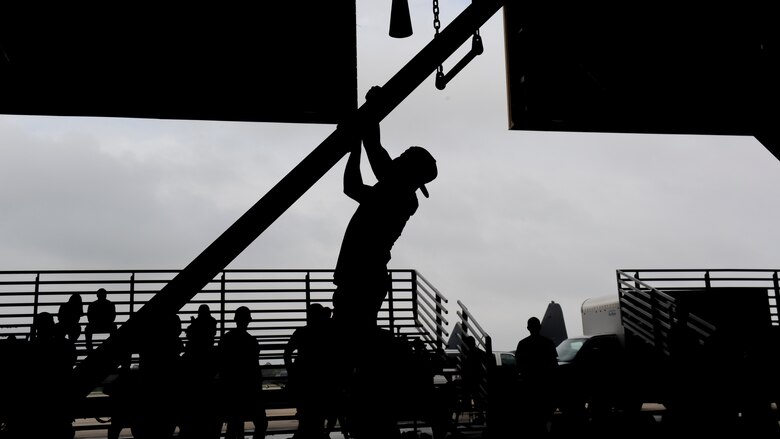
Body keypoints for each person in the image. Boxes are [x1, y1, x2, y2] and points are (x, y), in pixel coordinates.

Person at [331, 85, 438, 332]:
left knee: (351, 341)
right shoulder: (395, 194)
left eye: (402, 158)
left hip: (363, 278)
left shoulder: (401, 197)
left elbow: (376, 156)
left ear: (409, 170)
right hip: (360, 276)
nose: (397, 159)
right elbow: (353, 187)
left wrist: (372, 111)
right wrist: (357, 142)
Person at [284, 303, 337, 439]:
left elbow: (287, 353)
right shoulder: (328, 334)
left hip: (303, 380)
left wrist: (292, 372)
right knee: (319, 418)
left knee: (305, 418)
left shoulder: (301, 332)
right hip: (322, 381)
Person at [218, 306, 267, 439]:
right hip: (249, 389)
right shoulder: (251, 341)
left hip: (231, 389)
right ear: (249, 320)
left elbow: (222, 365)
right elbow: (255, 368)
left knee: (235, 426)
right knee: (261, 423)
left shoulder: (226, 339)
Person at [515, 316, 558, 438]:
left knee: (531, 413)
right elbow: (553, 364)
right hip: (545, 384)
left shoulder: (522, 344)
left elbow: (519, 365)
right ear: (540, 327)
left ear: (528, 328)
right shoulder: (548, 343)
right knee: (545, 412)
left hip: (529, 384)